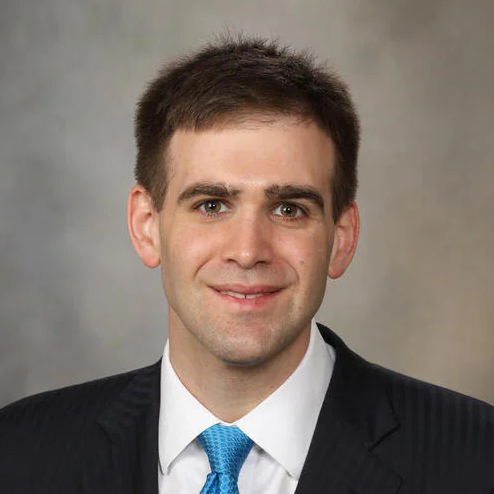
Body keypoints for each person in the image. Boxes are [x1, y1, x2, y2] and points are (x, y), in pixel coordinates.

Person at [0, 35, 493, 494]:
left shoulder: (476, 459)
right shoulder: (19, 454)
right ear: (147, 226)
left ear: (341, 238)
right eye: (212, 205)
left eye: (289, 209)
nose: (248, 250)